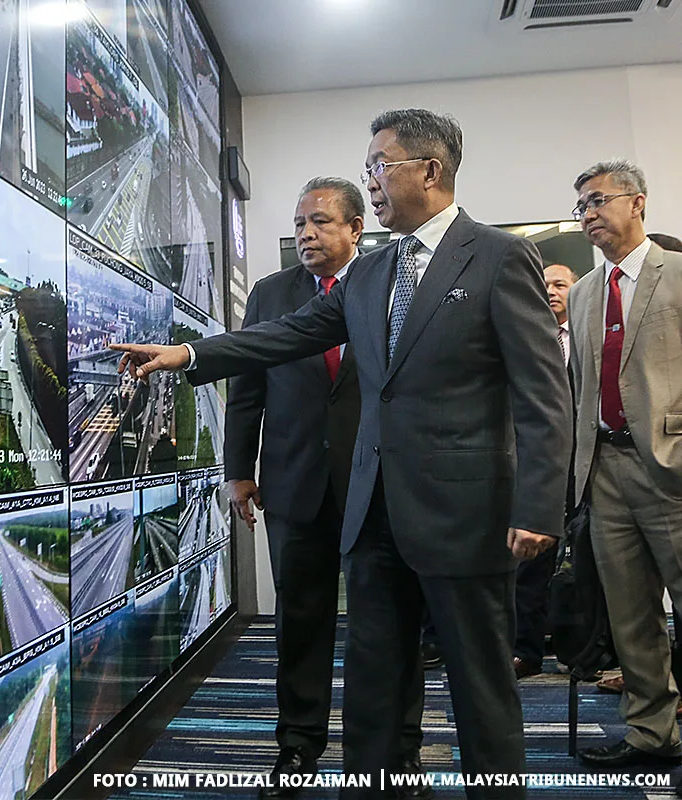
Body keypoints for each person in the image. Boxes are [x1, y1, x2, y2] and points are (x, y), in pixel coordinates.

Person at [112, 108, 570, 798]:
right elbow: (285, 335)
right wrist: (186, 353)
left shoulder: (500, 257)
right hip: (372, 517)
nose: (372, 182)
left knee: (480, 686)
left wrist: (538, 505)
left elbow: (545, 394)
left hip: (465, 516)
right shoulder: (372, 271)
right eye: (368, 169)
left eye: (379, 166)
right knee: (373, 682)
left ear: (430, 170)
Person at [226, 177, 426, 798]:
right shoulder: (269, 294)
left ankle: (399, 754)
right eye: (299, 224)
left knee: (389, 623)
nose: (306, 234)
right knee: (300, 621)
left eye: (320, 222)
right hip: (294, 482)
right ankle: (297, 747)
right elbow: (247, 387)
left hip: (377, 483)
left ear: (355, 229)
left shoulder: (388, 285)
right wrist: (239, 470)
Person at [568, 161, 682, 768]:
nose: (588, 213)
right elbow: (580, 388)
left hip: (672, 471)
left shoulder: (679, 274)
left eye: (598, 200)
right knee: (631, 616)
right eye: (580, 204)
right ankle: (652, 735)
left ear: (637, 203)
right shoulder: (585, 293)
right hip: (605, 474)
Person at [513, 264, 578, 679]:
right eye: (544, 285)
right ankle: (526, 650)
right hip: (533, 463)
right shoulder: (523, 338)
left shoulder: (586, 334)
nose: (550, 291)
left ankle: (588, 649)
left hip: (588, 463)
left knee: (590, 562)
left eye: (560, 284)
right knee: (530, 564)